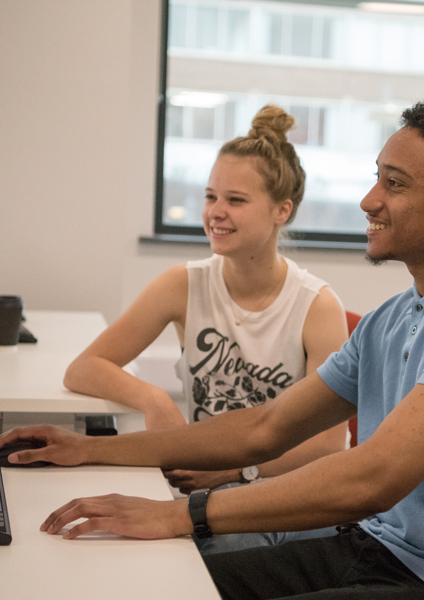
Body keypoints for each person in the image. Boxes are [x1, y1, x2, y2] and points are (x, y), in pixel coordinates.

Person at [0, 99, 424, 600]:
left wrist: (182, 514)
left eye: (394, 184)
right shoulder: (394, 319)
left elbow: (376, 475)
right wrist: (90, 449)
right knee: (155, 582)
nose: (369, 201)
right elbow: (266, 425)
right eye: (376, 177)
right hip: (377, 545)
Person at [60, 104, 350, 553]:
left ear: (282, 210)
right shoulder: (184, 284)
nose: (216, 212)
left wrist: (237, 472)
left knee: (194, 560)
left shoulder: (317, 306)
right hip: (205, 489)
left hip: (284, 494)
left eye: (236, 200)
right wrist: (154, 397)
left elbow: (330, 447)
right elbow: (83, 368)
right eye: (211, 196)